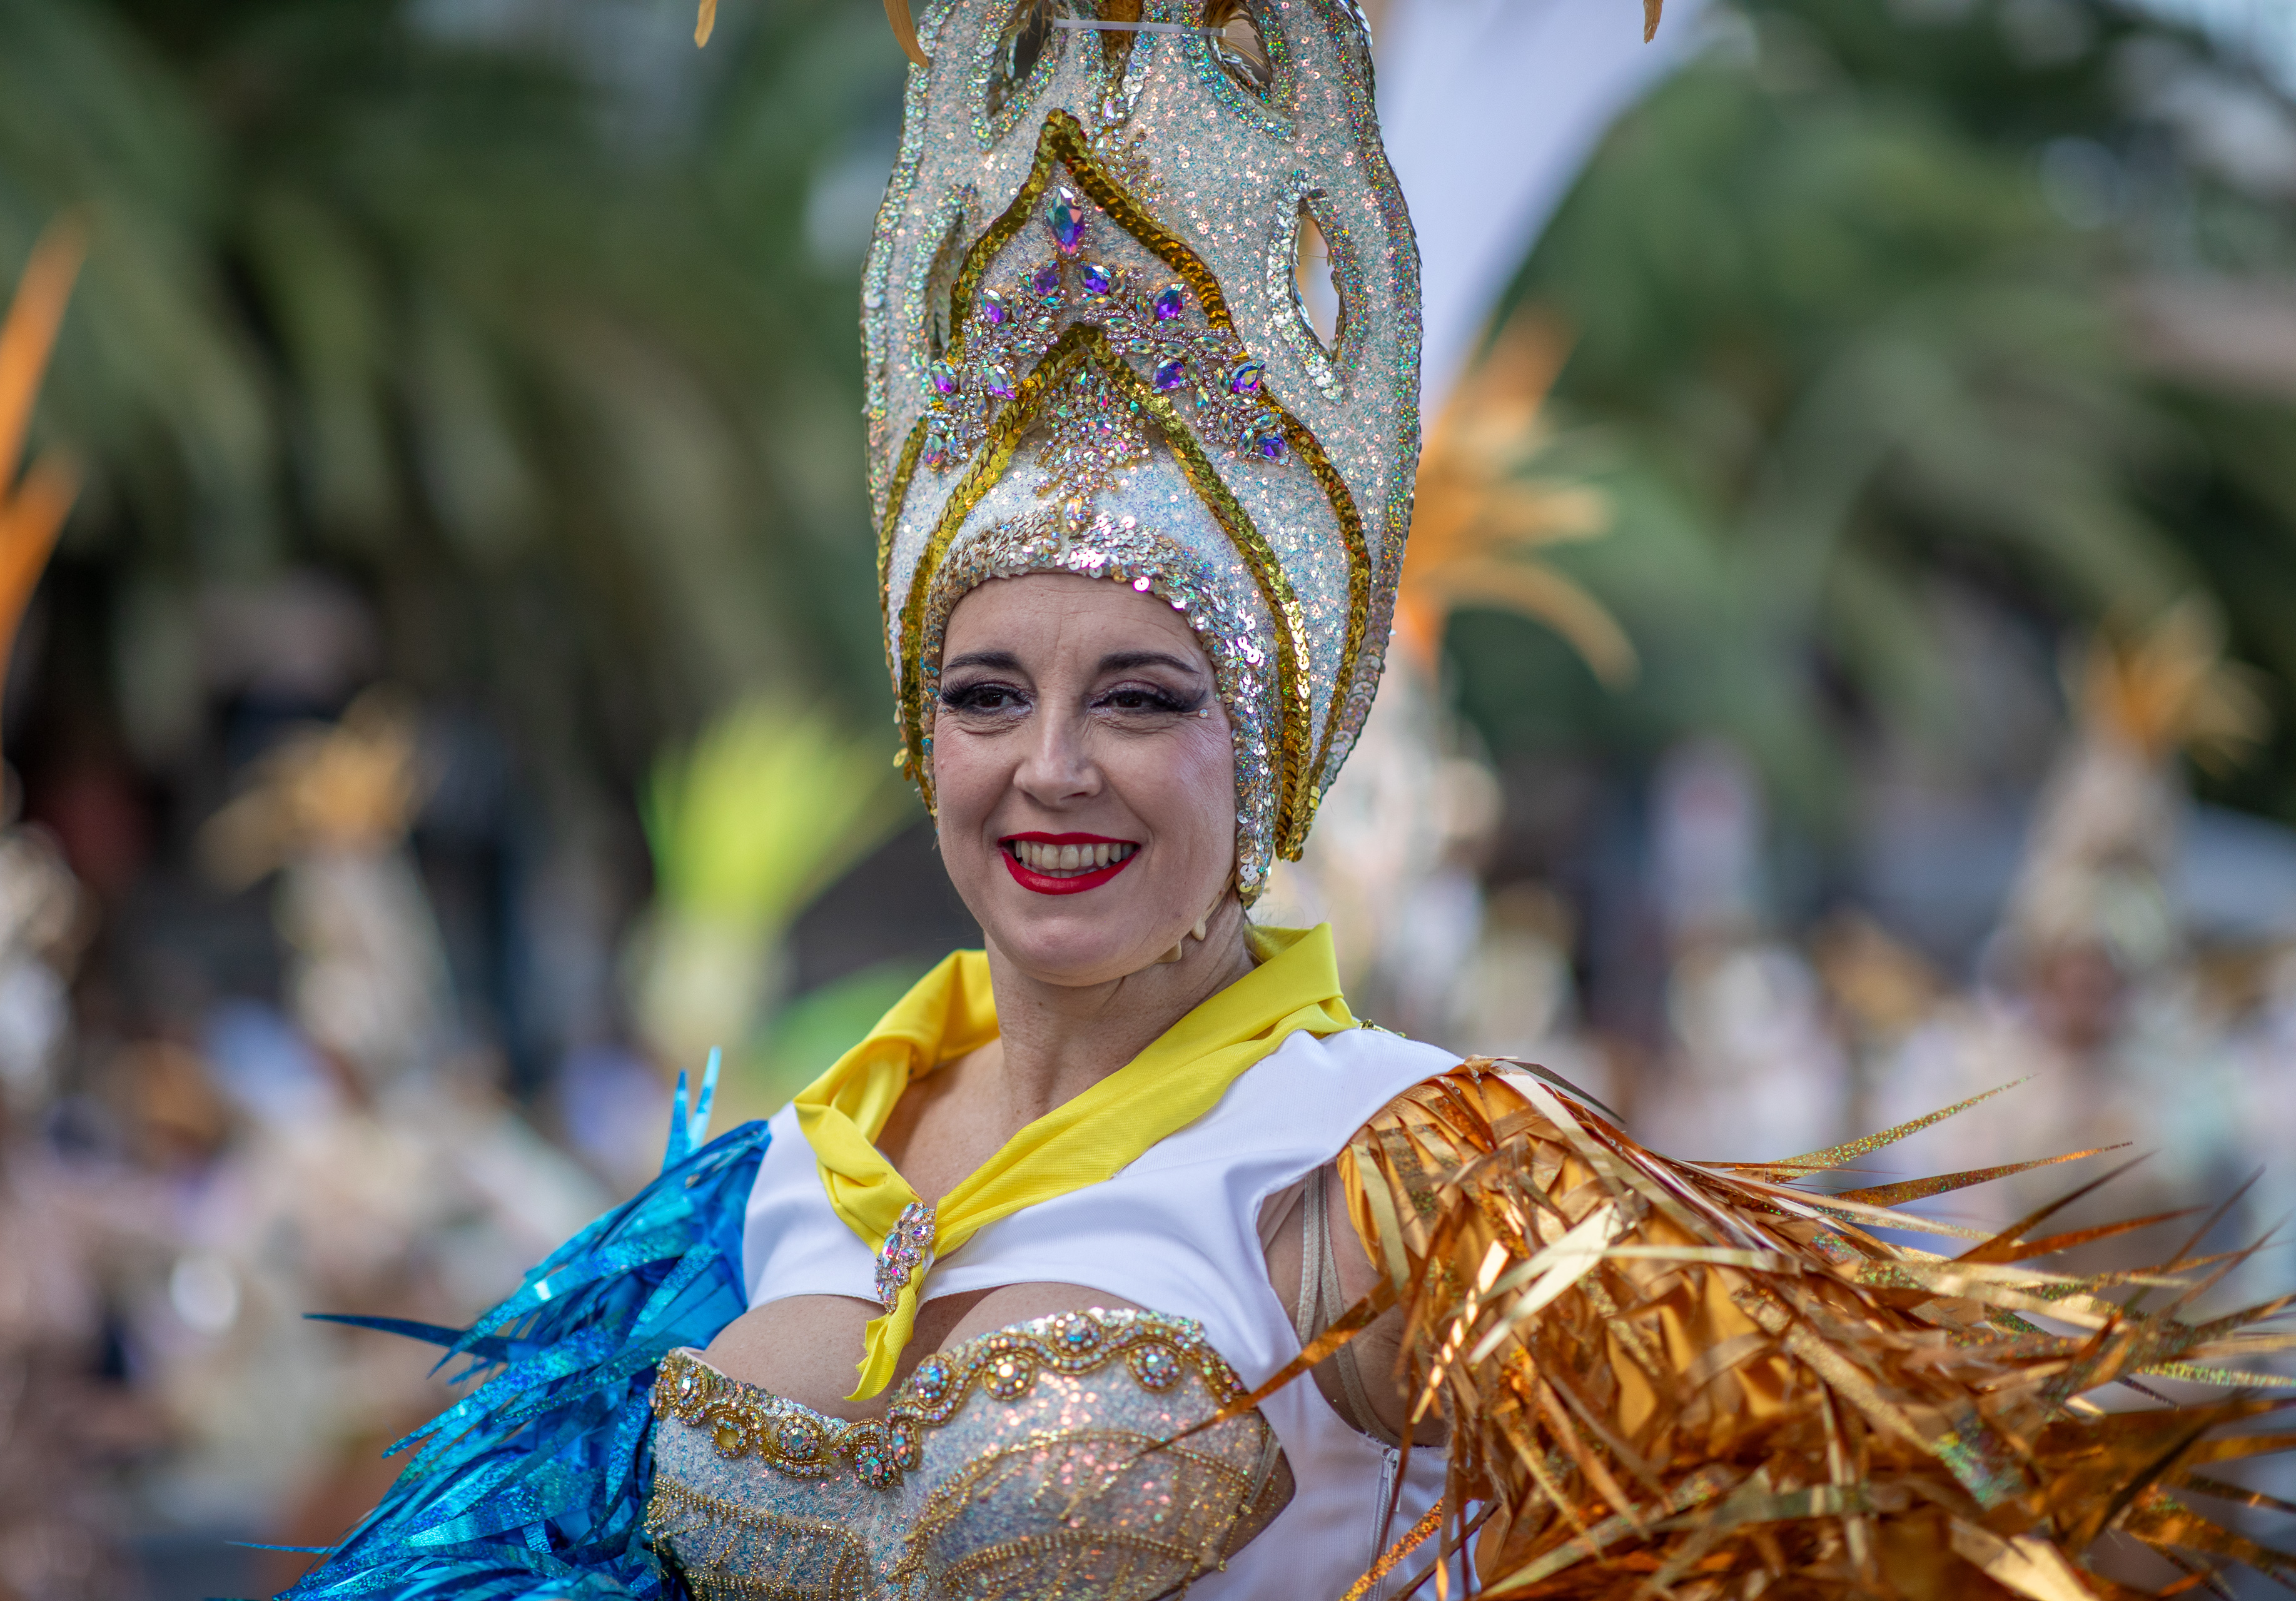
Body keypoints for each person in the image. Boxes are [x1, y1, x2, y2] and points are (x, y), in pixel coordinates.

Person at [283, 2, 2292, 1596]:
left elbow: (1895, 1528)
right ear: (922, 738)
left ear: (1277, 752)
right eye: (985, 695)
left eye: (1141, 697)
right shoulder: (769, 1184)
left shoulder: (1389, 1169)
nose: (1049, 766)